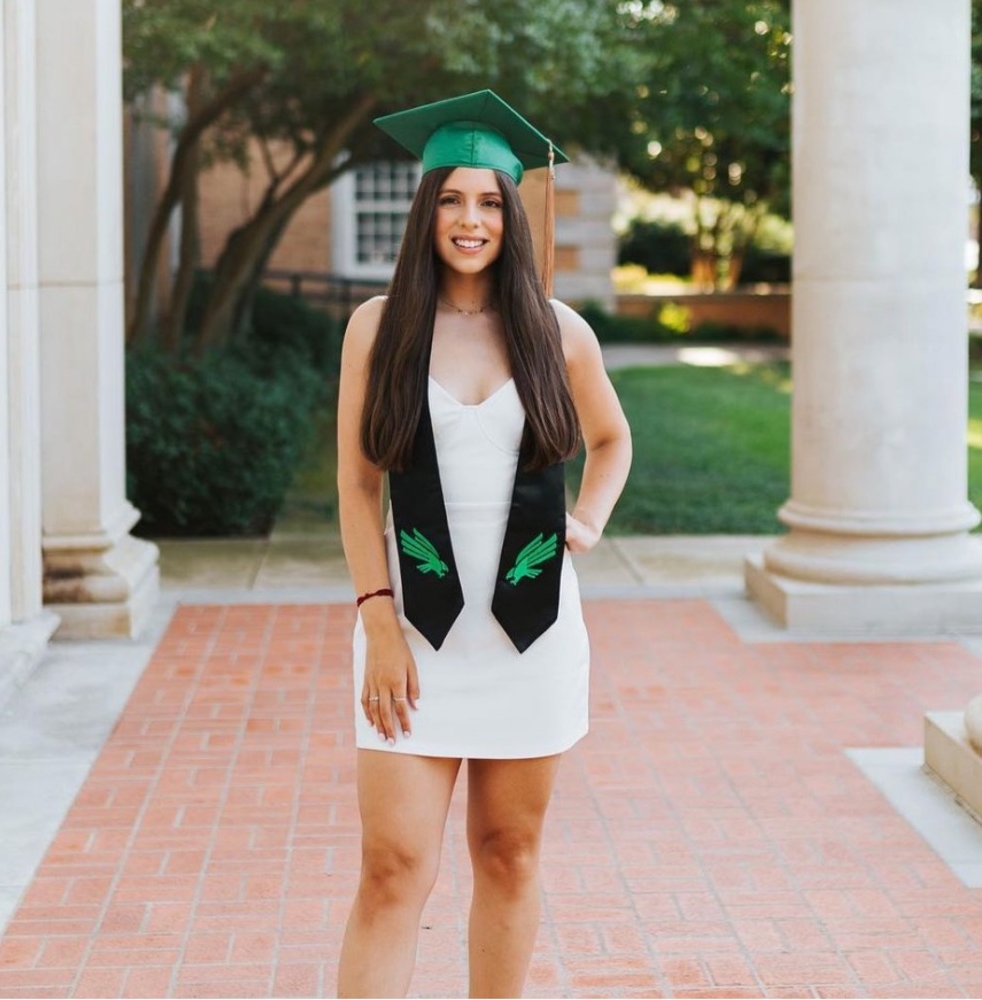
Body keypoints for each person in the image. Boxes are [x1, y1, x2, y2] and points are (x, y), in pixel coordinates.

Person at [335, 90, 631, 998]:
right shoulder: (379, 328)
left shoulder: (556, 331)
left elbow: (612, 441)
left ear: (512, 215)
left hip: (528, 637)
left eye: (491, 201)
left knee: (508, 855)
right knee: (393, 871)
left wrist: (588, 520)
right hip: (412, 641)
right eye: (454, 200)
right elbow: (356, 485)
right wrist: (378, 620)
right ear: (428, 209)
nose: (472, 220)